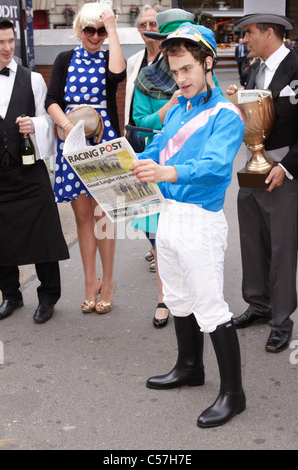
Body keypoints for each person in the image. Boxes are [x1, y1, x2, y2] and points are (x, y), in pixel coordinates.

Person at [131, 23, 245, 428]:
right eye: (175, 71)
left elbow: (215, 169)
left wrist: (165, 171)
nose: (180, 79)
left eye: (186, 69)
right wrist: (121, 160)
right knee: (177, 297)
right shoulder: (180, 107)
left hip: (201, 219)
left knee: (210, 305)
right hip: (169, 216)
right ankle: (189, 367)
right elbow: (157, 145)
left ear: (207, 62)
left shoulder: (227, 115)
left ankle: (234, 394)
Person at [227, 0, 298, 353]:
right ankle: (258, 305)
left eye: (250, 33)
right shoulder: (255, 70)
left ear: (270, 33)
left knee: (282, 247)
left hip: (285, 171)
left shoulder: (297, 66)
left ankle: (281, 320)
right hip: (253, 166)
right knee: (252, 238)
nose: (245, 39)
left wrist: (286, 168)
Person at [46, 1, 126, 314]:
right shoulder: (65, 58)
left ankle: (107, 282)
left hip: (103, 141)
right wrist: (66, 125)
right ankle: (89, 281)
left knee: (102, 215)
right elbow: (52, 99)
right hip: (72, 140)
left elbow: (118, 76)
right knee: (82, 215)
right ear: (80, 30)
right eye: (90, 29)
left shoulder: (109, 56)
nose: (95, 35)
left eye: (101, 30)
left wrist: (114, 28)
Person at [0, 19, 69, 324]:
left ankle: (48, 296)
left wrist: (34, 126)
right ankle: (11, 296)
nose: (7, 47)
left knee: (44, 234)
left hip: (29, 172)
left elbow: (47, 120)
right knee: (0, 238)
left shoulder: (34, 79)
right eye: (0, 42)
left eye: (10, 40)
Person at [132, 8, 196, 328]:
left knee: (188, 239)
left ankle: (190, 297)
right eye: (167, 41)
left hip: (189, 176)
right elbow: (138, 126)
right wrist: (168, 108)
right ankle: (164, 298)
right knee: (159, 241)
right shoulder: (147, 77)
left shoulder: (199, 79)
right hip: (156, 167)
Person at [125, 3, 163, 153]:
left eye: (153, 24)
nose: (147, 28)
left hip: (156, 135)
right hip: (132, 133)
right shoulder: (134, 60)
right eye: (143, 24)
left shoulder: (169, 60)